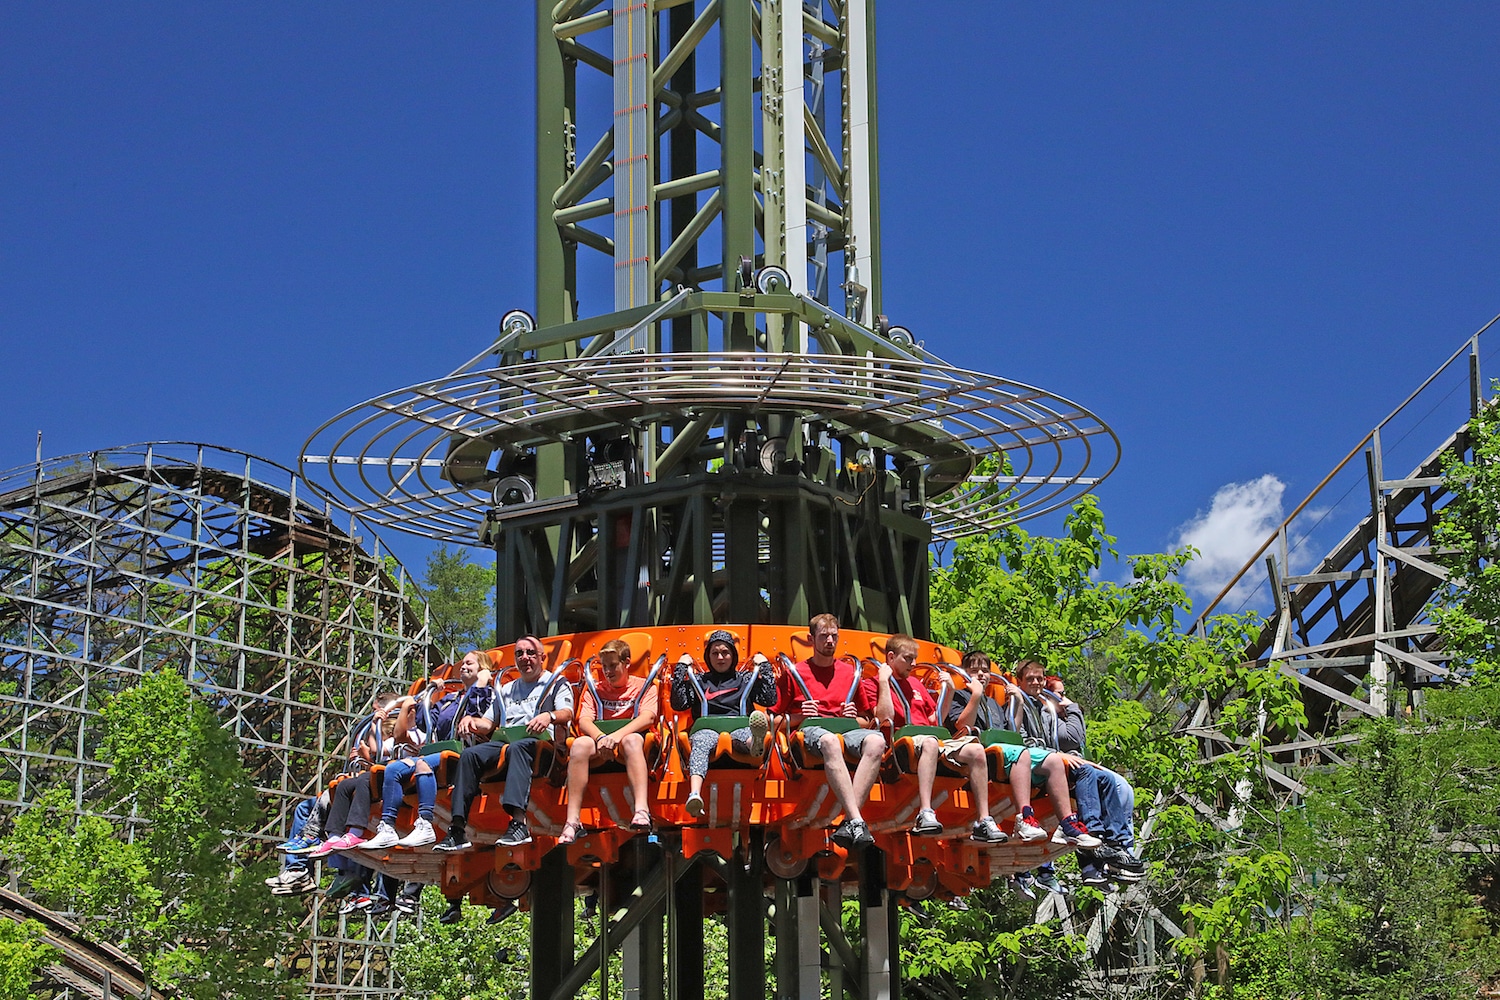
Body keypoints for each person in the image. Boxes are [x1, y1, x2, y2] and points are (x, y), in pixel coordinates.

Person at [944, 651, 1099, 848]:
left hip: (1003, 749)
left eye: (985, 670)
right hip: (980, 750)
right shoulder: (960, 696)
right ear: (964, 674)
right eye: (974, 671)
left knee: (1053, 760)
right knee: (1022, 752)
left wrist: (1017, 703)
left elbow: (1011, 731)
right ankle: (1024, 817)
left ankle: (1067, 823)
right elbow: (961, 725)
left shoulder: (993, 703)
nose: (981, 675)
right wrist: (975, 694)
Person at [859, 634, 1005, 843]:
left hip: (932, 738)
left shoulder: (916, 685)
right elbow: (884, 718)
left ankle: (983, 820)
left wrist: (949, 693)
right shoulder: (873, 684)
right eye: (908, 658)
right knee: (929, 743)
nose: (914, 664)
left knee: (975, 749)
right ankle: (925, 812)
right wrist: (883, 680)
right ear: (891, 658)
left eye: (915, 658)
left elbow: (935, 719)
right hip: (902, 742)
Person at [435, 635, 574, 851]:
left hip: (541, 743)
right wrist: (471, 720)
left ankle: (519, 823)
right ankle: (457, 828)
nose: (525, 658)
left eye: (530, 653)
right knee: (470, 755)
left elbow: (567, 712)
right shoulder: (507, 689)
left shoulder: (556, 682)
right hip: (508, 741)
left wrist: (549, 716)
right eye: (519, 654)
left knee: (519, 748)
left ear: (542, 657)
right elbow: (488, 723)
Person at [362, 651, 497, 850]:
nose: (463, 667)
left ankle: (425, 822)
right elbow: (425, 722)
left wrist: (482, 683)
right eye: (463, 663)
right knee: (393, 769)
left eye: (470, 663)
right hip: (440, 750)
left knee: (423, 763)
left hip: (466, 752)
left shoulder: (487, 693)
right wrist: (427, 695)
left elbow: (476, 713)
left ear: (482, 668)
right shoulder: (450, 698)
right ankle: (388, 827)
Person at [775, 614, 885, 848]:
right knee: (829, 741)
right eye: (823, 636)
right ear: (811, 639)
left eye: (834, 636)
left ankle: (851, 820)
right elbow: (770, 720)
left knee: (876, 741)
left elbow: (867, 721)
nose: (829, 641)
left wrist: (852, 717)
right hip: (809, 734)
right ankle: (856, 819)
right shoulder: (795, 673)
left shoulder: (850, 673)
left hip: (845, 730)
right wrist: (799, 715)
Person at [1042, 675, 1144, 887]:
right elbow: (1072, 738)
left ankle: (1117, 845)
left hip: (1071, 765)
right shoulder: (1048, 714)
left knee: (1110, 781)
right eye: (1060, 694)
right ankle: (1093, 835)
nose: (1064, 698)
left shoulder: (1059, 717)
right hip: (1053, 765)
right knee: (1089, 775)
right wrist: (1074, 710)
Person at [557, 638, 660, 844]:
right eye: (604, 667)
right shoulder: (595, 689)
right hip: (602, 739)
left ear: (627, 663)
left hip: (631, 739)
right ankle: (572, 821)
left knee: (631, 740)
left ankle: (641, 810)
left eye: (613, 666)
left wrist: (615, 737)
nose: (608, 671)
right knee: (578, 745)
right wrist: (602, 738)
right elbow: (584, 720)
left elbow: (648, 716)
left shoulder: (644, 686)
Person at [669, 630, 776, 818]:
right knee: (701, 742)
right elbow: (679, 703)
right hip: (707, 729)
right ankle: (694, 794)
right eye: (715, 653)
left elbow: (769, 698)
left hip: (739, 727)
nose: (720, 657)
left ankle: (755, 743)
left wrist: (765, 666)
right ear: (708, 656)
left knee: (744, 736)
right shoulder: (700, 681)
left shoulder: (744, 679)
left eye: (725, 653)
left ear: (733, 655)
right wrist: (680, 669)